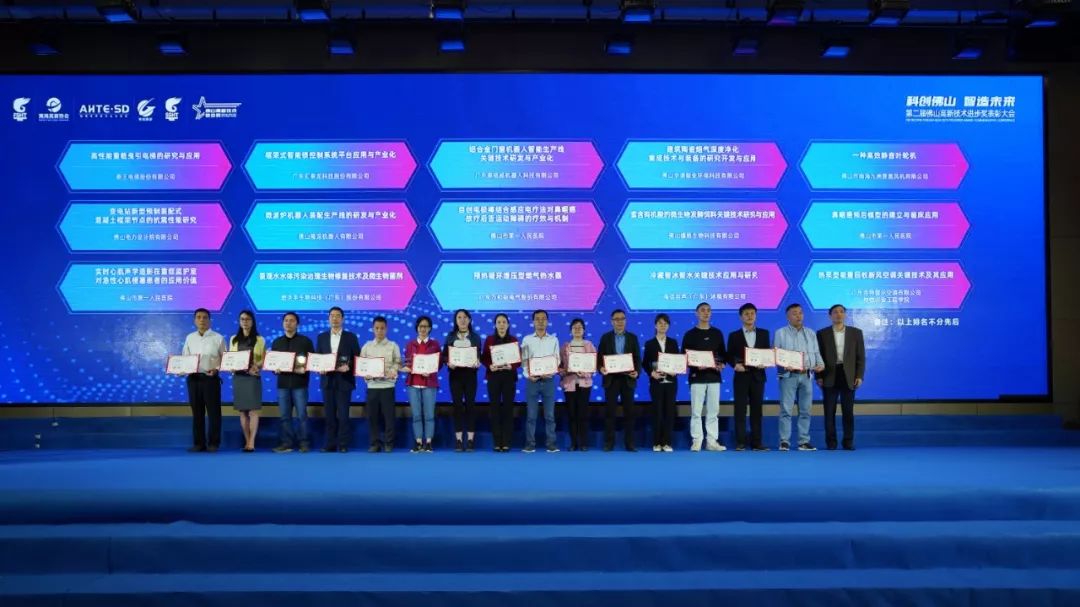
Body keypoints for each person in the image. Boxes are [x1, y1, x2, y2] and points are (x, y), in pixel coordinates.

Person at [775, 303, 825, 451]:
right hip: (788, 376)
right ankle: (784, 441)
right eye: (795, 313)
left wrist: (821, 364)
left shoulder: (810, 333)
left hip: (807, 376)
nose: (799, 316)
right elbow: (776, 354)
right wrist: (784, 364)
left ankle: (803, 441)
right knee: (786, 410)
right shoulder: (780, 333)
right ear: (788, 316)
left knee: (805, 410)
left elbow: (816, 353)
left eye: (800, 313)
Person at [816, 304, 866, 451]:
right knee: (829, 412)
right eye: (835, 312)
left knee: (848, 411)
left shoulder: (856, 333)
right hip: (829, 375)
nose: (838, 314)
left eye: (841, 312)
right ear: (830, 315)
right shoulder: (822, 333)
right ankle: (831, 443)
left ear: (845, 315)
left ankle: (848, 442)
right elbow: (818, 356)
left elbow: (861, 357)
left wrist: (859, 376)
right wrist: (818, 376)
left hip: (848, 375)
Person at [682, 302, 727, 452]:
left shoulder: (717, 333)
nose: (706, 313)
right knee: (696, 411)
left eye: (708, 310)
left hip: (714, 377)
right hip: (697, 377)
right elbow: (684, 357)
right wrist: (695, 365)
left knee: (713, 411)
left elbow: (723, 355)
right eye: (702, 310)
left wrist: (721, 364)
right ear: (697, 313)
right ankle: (697, 440)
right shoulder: (689, 334)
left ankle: (711, 441)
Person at [315, 306, 361, 453]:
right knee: (329, 414)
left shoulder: (351, 337)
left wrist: (349, 366)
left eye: (337, 316)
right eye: (332, 316)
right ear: (328, 318)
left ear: (343, 319)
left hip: (344, 380)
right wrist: (319, 367)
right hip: (327, 380)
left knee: (343, 414)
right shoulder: (321, 337)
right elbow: (318, 357)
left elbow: (357, 358)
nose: (334, 318)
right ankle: (330, 443)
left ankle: (343, 444)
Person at [597, 309, 642, 452]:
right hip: (611, 379)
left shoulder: (632, 338)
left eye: (622, 319)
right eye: (616, 319)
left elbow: (637, 358)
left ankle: (630, 444)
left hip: (628, 379)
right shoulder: (605, 338)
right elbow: (599, 359)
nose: (620, 322)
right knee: (610, 413)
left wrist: (637, 372)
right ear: (612, 322)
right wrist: (601, 368)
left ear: (626, 321)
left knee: (629, 413)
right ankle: (609, 443)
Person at [727, 303, 770, 451]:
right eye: (746, 314)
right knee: (740, 410)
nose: (750, 316)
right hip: (741, 376)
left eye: (752, 313)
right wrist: (735, 365)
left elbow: (767, 353)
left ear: (756, 316)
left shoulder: (764, 333)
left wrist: (766, 363)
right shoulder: (734, 335)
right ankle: (740, 442)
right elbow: (729, 355)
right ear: (741, 317)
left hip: (758, 376)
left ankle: (757, 443)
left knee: (757, 411)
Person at [181, 308, 225, 452]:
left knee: (214, 413)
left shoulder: (218, 338)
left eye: (205, 317)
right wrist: (180, 369)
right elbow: (185, 358)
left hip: (211, 379)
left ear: (209, 320)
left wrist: (217, 369)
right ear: (194, 320)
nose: (202, 320)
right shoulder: (189, 338)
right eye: (198, 317)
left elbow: (226, 359)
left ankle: (213, 443)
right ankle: (199, 443)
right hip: (193, 379)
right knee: (197, 413)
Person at [270, 312, 314, 453]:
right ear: (283, 323)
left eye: (292, 320)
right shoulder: (277, 342)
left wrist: (304, 369)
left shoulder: (305, 341)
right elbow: (272, 363)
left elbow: (312, 362)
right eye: (286, 320)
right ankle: (287, 443)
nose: (288, 323)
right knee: (285, 416)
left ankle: (304, 443)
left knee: (302, 415)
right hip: (282, 385)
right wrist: (275, 369)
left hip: (300, 384)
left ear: (297, 324)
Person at [360, 316, 402, 453]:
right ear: (373, 329)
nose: (379, 331)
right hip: (372, 386)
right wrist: (365, 373)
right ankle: (375, 443)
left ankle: (389, 443)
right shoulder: (367, 346)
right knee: (372, 417)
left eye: (382, 328)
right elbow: (362, 365)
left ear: (386, 329)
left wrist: (393, 371)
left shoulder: (393, 345)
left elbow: (398, 363)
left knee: (389, 417)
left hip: (388, 386)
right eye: (377, 328)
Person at [520, 309, 560, 453]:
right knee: (531, 416)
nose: (541, 321)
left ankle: (551, 444)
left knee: (550, 415)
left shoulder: (553, 339)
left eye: (543, 319)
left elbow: (557, 359)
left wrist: (552, 371)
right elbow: (524, 360)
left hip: (549, 380)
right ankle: (530, 444)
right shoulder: (527, 339)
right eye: (537, 319)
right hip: (532, 381)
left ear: (547, 321)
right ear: (533, 322)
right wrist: (528, 375)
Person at [443, 309, 482, 452]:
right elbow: (445, 355)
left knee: (471, 406)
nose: (462, 320)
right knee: (457, 406)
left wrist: (478, 362)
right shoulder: (450, 336)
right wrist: (448, 362)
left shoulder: (475, 337)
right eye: (459, 317)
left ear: (469, 320)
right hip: (455, 375)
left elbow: (478, 355)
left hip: (470, 375)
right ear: (456, 320)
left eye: (465, 317)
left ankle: (470, 440)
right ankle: (459, 440)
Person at [481, 313, 520, 452]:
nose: (501, 324)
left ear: (508, 325)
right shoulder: (489, 339)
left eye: (504, 322)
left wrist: (512, 365)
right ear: (495, 325)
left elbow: (518, 360)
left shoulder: (513, 340)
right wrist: (489, 365)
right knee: (495, 409)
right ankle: (497, 442)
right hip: (494, 377)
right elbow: (484, 358)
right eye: (499, 322)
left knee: (508, 409)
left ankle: (507, 442)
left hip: (509, 377)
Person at [229, 310, 266, 452]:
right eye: (242, 319)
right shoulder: (233, 339)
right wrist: (231, 367)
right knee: (243, 412)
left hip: (253, 378)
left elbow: (264, 359)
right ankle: (246, 440)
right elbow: (230, 358)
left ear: (252, 321)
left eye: (248, 319)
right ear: (239, 321)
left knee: (253, 411)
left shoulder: (260, 339)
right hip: (239, 378)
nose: (245, 321)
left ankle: (252, 442)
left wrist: (257, 366)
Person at [403, 315, 441, 452]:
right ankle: (418, 441)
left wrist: (430, 371)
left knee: (429, 415)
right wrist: (405, 368)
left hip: (429, 383)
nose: (423, 329)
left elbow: (439, 364)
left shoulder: (435, 344)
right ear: (417, 328)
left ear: (430, 328)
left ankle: (429, 442)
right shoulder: (410, 344)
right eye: (420, 326)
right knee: (416, 415)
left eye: (426, 326)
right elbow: (407, 362)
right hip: (413, 383)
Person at [642, 313, 678, 452]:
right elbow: (645, 363)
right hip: (656, 382)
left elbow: (678, 361)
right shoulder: (649, 343)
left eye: (665, 323)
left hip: (671, 382)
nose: (663, 326)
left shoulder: (673, 342)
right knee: (657, 412)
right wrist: (652, 373)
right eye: (660, 323)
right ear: (655, 325)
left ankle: (667, 442)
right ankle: (657, 442)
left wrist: (676, 370)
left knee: (669, 412)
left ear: (668, 326)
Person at [559, 318, 596, 451]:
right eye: (574, 327)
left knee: (583, 414)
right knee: (571, 414)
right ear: (571, 330)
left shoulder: (589, 345)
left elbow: (593, 366)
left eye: (580, 327)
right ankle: (573, 443)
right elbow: (560, 366)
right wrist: (566, 371)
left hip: (584, 384)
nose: (577, 329)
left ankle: (583, 443)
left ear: (584, 330)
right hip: (569, 384)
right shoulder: (565, 346)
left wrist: (584, 373)